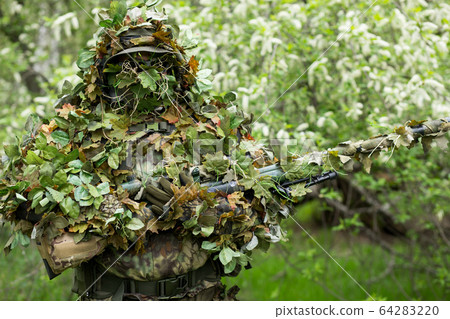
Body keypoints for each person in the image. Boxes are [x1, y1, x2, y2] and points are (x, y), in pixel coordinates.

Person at [0, 2, 288, 301]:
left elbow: (264, 197)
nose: (141, 78)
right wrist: (106, 212)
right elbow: (19, 197)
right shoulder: (78, 132)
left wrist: (199, 211)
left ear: (175, 72)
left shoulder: (212, 127)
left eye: (155, 66)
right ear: (103, 76)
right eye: (128, 67)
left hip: (200, 296)